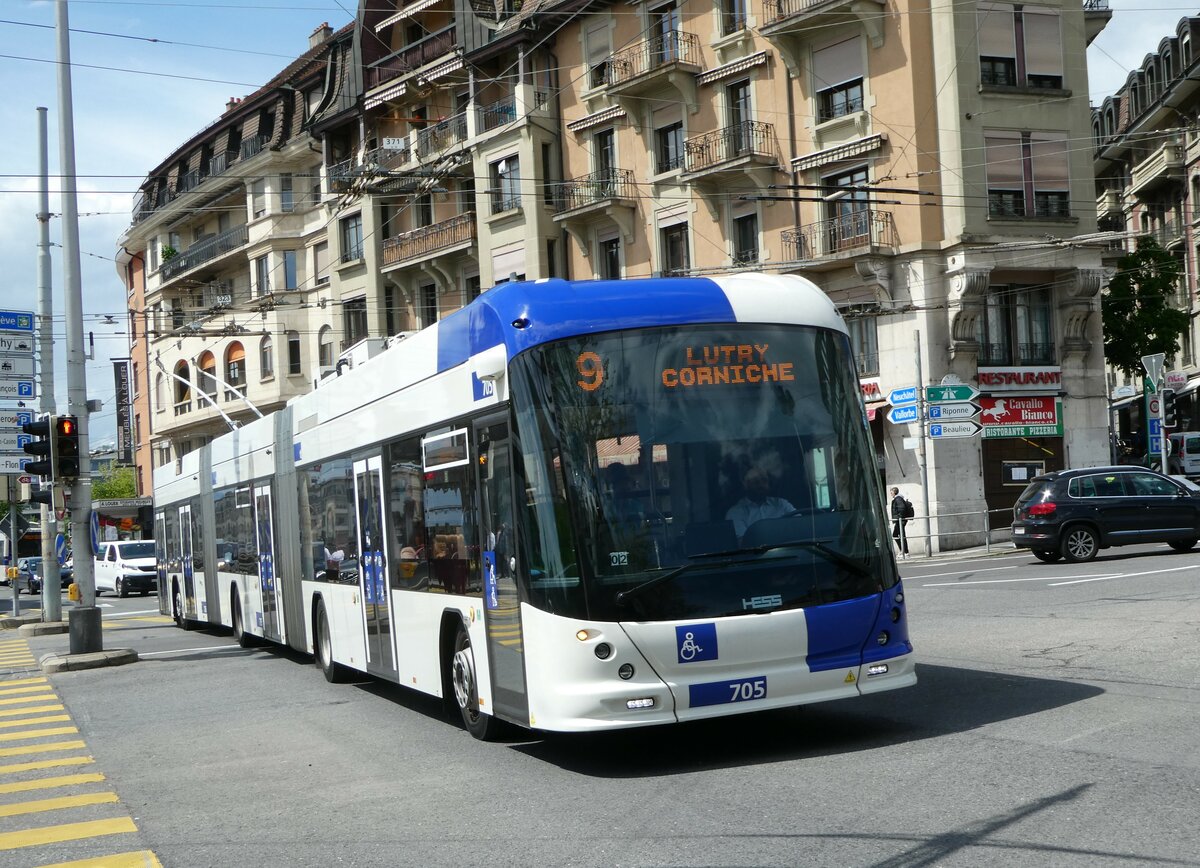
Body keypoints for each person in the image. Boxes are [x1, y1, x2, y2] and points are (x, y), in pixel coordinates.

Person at [725, 466, 796, 540]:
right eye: (755, 481)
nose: (761, 484)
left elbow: (798, 525)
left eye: (764, 480)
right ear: (745, 484)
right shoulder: (735, 513)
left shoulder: (781, 504)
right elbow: (745, 543)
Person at [890, 487, 913, 557]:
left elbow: (902, 508)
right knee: (897, 535)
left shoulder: (898, 499)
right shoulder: (898, 499)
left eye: (891, 493)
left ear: (894, 492)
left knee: (899, 535)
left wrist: (899, 518)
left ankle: (905, 552)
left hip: (900, 520)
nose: (891, 494)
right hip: (900, 520)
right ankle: (903, 551)